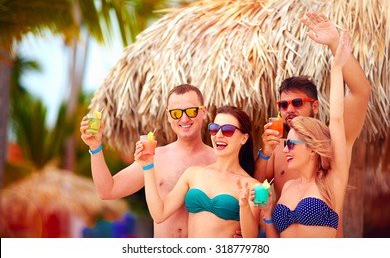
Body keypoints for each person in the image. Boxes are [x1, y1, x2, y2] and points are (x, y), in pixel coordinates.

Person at [254, 12, 371, 236]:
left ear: (315, 107)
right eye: (283, 104)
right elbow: (257, 187)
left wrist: (335, 47)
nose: (289, 109)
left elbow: (361, 91)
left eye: (297, 102)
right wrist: (266, 153)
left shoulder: (331, 142)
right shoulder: (280, 148)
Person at [80, 84, 217, 238]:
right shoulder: (153, 158)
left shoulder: (218, 159)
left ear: (203, 112)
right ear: (169, 116)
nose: (184, 118)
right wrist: (95, 147)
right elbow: (107, 190)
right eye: (176, 113)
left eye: (191, 111)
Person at [134, 105, 262, 237]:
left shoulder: (252, 186)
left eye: (228, 130)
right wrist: (148, 166)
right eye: (214, 129)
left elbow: (251, 239)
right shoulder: (193, 173)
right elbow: (159, 214)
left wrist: (244, 206)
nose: (218, 135)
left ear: (243, 138)